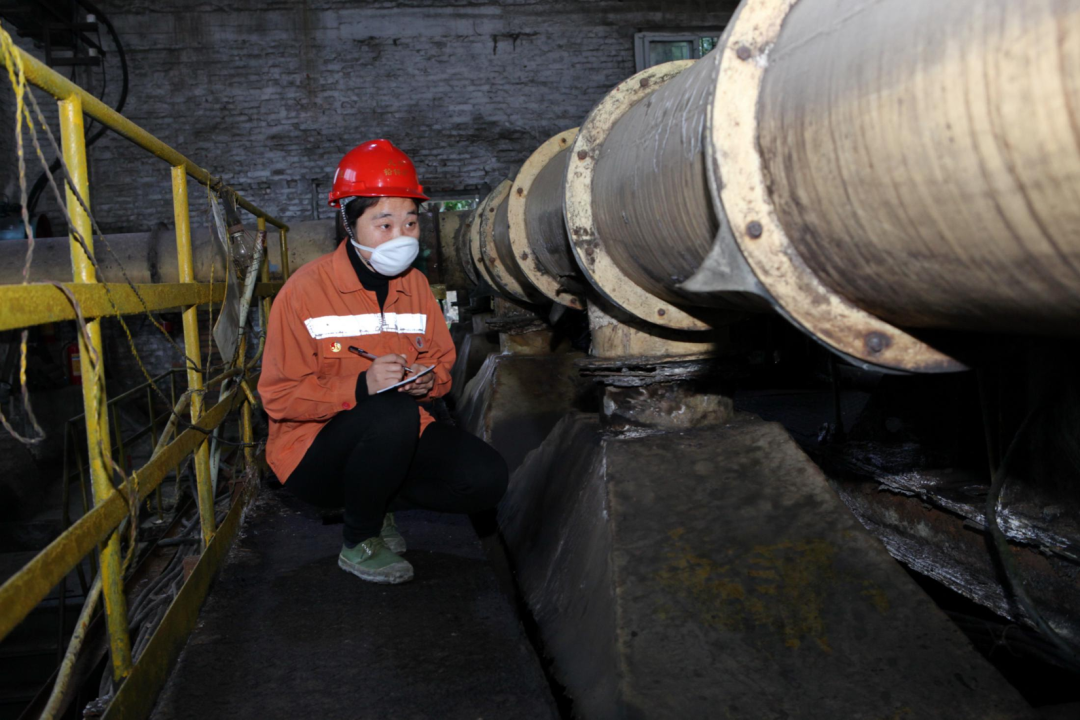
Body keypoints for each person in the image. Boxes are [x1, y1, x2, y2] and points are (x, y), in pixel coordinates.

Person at [258, 139, 508, 584]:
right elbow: (278, 398)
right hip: (313, 452)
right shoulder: (304, 292)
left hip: (396, 436)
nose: (401, 236)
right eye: (385, 223)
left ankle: (377, 503)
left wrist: (426, 381)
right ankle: (359, 540)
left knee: (485, 479)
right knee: (391, 412)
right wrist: (361, 386)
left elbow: (440, 364)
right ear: (348, 222)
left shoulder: (415, 286)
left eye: (410, 222)